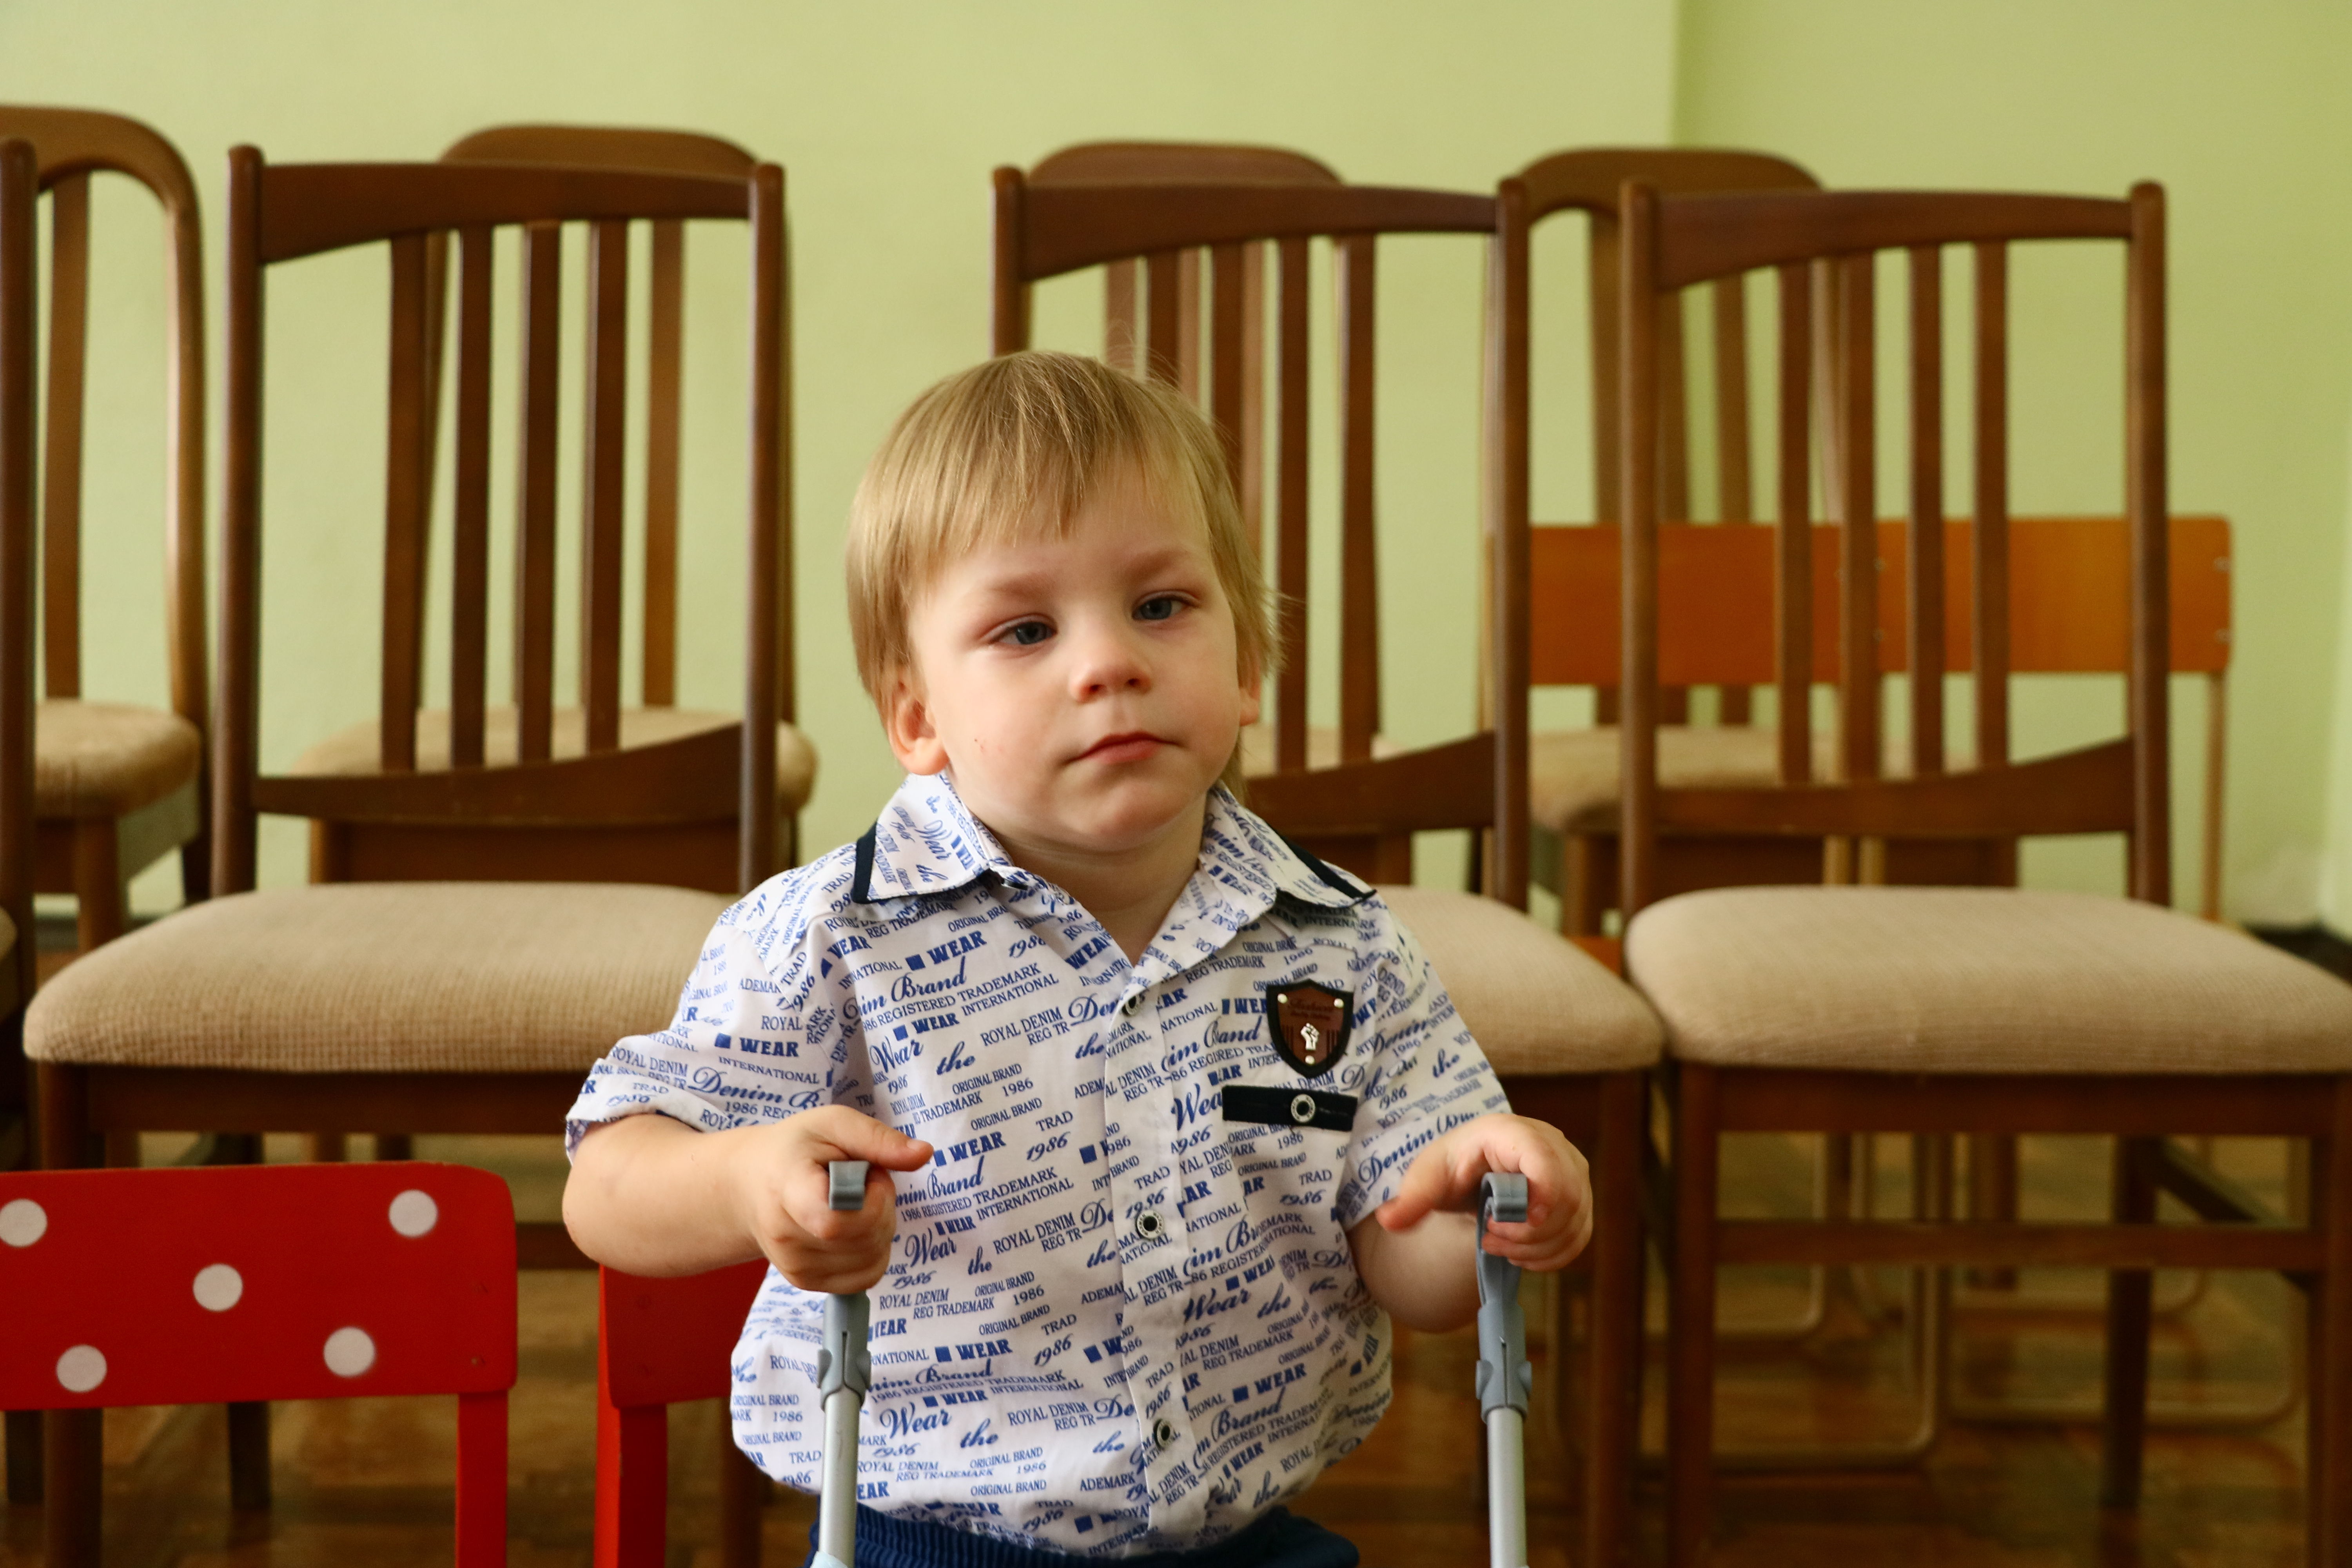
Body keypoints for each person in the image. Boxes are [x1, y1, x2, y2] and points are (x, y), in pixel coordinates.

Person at [562, 350, 1592, 1567]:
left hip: (1247, 1542)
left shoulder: (1343, 943)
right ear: (917, 717)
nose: (1108, 663)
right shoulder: (835, 934)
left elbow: (1408, 1270)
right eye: (1027, 629)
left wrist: (1477, 1213)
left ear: (1249, 666)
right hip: (935, 1544)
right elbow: (608, 1184)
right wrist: (746, 1179)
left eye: (1161, 606)